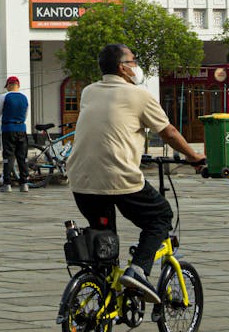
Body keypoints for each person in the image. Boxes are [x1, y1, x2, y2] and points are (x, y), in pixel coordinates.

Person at [67, 43, 206, 304]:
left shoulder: (88, 92)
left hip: (81, 180)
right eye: (133, 61)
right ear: (122, 67)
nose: (136, 66)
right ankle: (138, 270)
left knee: (104, 240)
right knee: (161, 217)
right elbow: (169, 133)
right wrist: (194, 156)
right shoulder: (138, 95)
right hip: (119, 178)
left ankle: (103, 300)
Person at [0, 75, 29, 193]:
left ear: (9, 85)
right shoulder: (25, 98)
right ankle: (24, 184)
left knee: (8, 157)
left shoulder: (4, 97)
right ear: (18, 85)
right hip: (22, 129)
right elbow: (25, 116)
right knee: (22, 157)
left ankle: (7, 184)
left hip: (8, 129)